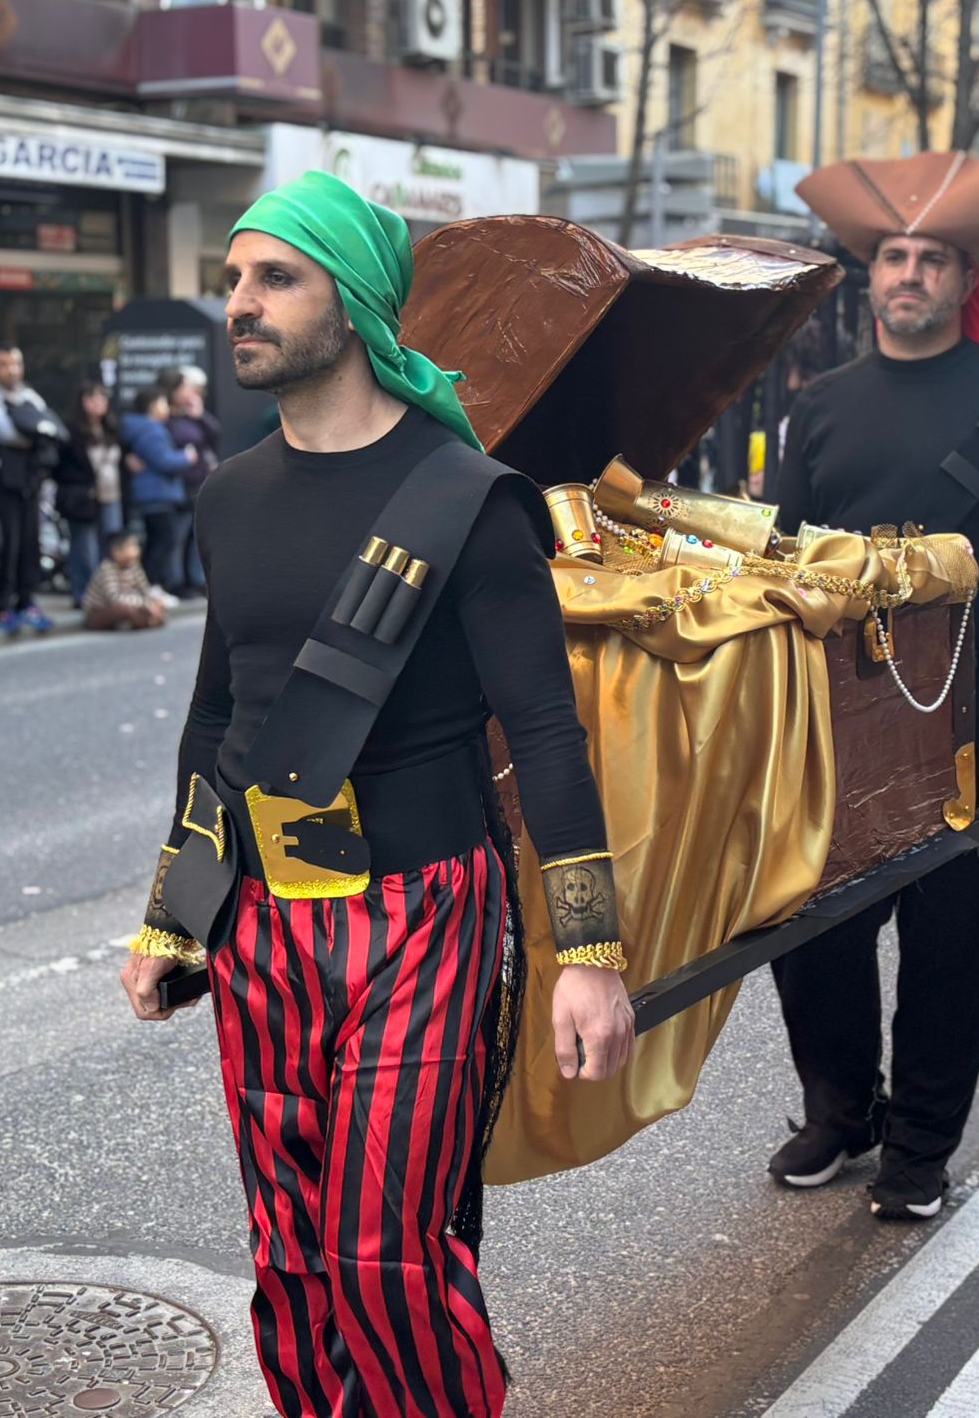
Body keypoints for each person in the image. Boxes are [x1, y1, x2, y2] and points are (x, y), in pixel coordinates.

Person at [117, 170, 634, 1418]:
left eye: (274, 278)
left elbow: (544, 733)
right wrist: (173, 916)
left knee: (383, 1250)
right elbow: (219, 722)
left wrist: (587, 954)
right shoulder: (229, 496)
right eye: (233, 280)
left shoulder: (470, 501)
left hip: (424, 915)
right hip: (262, 924)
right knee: (291, 1253)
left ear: (349, 304)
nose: (239, 303)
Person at [772, 152, 979, 1219]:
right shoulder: (819, 406)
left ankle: (917, 1149)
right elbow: (780, 562)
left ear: (965, 280)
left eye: (932, 259)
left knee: (950, 942)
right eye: (894, 256)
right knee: (810, 932)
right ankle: (841, 1111)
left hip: (967, 716)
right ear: (872, 275)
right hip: (834, 716)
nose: (909, 274)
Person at [0, 344, 63, 635]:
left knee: (29, 544)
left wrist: (35, 431)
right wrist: (36, 432)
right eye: (3, 364)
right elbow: (7, 434)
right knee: (5, 544)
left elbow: (51, 427)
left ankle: (26, 600)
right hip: (1, 486)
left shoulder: (28, 396)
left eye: (16, 363)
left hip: (29, 483)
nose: (11, 370)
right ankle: (2, 603)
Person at [55, 380, 124, 607]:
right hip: (83, 497)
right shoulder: (71, 431)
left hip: (112, 494)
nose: (98, 403)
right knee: (84, 548)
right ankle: (84, 594)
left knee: (112, 546)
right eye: (92, 398)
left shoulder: (111, 429)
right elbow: (61, 467)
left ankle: (109, 594)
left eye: (102, 398)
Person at [118, 386, 194, 595]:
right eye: (163, 403)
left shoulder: (138, 428)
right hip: (157, 494)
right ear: (152, 406)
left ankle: (151, 587)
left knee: (155, 540)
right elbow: (163, 460)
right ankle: (152, 586)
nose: (166, 408)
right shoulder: (151, 430)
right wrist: (186, 457)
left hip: (150, 494)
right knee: (163, 540)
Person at [164, 364, 221, 597]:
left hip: (200, 482)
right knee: (177, 536)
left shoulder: (191, 416)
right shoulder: (166, 417)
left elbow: (214, 434)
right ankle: (175, 581)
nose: (191, 392)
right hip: (180, 483)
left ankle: (196, 580)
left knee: (196, 536)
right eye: (185, 388)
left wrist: (200, 416)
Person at [80, 530, 166, 631]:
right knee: (125, 610)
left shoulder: (134, 566)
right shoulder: (107, 569)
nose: (136, 550)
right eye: (131, 546)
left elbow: (145, 589)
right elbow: (114, 598)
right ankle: (145, 621)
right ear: (116, 552)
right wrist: (145, 603)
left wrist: (153, 602)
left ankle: (145, 620)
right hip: (99, 611)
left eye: (136, 546)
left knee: (157, 605)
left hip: (130, 603)